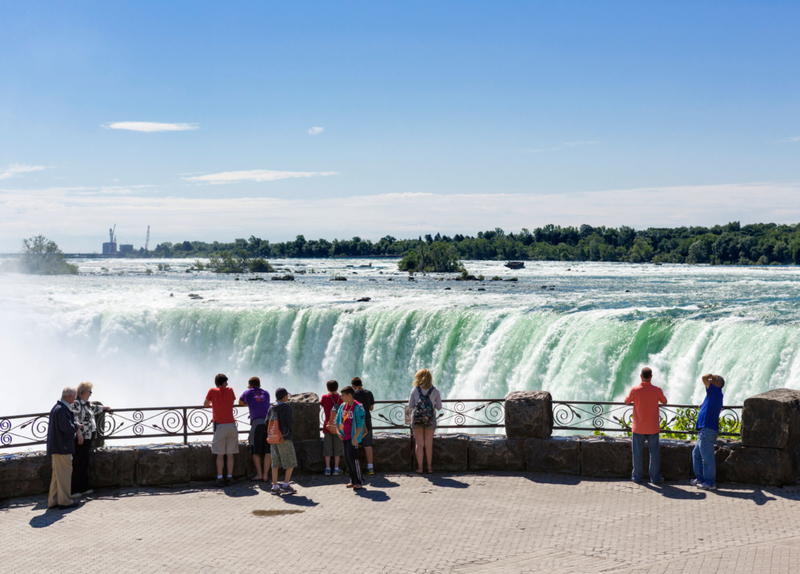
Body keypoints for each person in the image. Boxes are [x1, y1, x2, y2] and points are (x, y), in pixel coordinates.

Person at [624, 367, 668, 484]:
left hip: (638, 427)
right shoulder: (657, 390)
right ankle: (655, 478)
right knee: (654, 453)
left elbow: (626, 401)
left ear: (641, 376)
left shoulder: (635, 390)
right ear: (651, 377)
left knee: (637, 453)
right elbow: (664, 401)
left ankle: (637, 477)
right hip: (653, 427)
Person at [70, 381, 111, 497]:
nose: (91, 394)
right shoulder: (76, 404)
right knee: (78, 462)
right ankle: (74, 490)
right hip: (81, 437)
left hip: (87, 436)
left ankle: (83, 487)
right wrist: (78, 433)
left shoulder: (85, 403)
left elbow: (94, 408)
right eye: (89, 392)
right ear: (83, 392)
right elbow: (74, 419)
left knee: (84, 461)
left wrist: (105, 408)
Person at [47, 387, 82, 509]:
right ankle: (65, 502)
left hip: (57, 447)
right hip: (63, 447)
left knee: (57, 475)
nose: (75, 398)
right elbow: (67, 428)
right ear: (71, 396)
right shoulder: (62, 410)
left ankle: (53, 500)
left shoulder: (57, 408)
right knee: (64, 476)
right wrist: (76, 425)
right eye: (75, 396)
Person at [692, 373, 725, 491]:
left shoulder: (714, 391)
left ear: (717, 384)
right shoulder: (713, 394)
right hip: (704, 429)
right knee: (696, 454)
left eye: (714, 379)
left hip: (707, 429)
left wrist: (711, 375)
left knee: (707, 458)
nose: (710, 380)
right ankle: (700, 478)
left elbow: (704, 377)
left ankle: (710, 482)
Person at [204, 373, 238, 487]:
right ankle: (229, 477)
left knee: (219, 454)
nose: (227, 384)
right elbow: (232, 403)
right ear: (224, 383)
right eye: (226, 382)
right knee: (230, 454)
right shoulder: (230, 390)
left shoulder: (212, 391)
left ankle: (219, 478)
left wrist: (214, 405)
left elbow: (205, 404)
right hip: (231, 425)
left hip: (219, 426)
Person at [407, 368, 442, 474]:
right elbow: (439, 407)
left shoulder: (415, 390)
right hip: (430, 419)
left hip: (417, 419)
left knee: (419, 443)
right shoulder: (435, 391)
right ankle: (430, 468)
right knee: (428, 443)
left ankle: (420, 468)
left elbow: (410, 406)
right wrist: (433, 404)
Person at [238, 376, 271, 481]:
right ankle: (266, 475)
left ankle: (259, 474)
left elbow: (240, 402)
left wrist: (248, 403)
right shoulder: (266, 393)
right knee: (268, 451)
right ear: (260, 385)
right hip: (268, 423)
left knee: (255, 450)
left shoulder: (247, 393)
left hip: (256, 423)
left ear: (250, 386)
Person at [335, 386, 366, 490]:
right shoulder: (343, 406)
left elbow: (360, 425)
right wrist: (338, 431)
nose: (341, 397)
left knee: (354, 459)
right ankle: (352, 480)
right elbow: (338, 420)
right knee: (347, 459)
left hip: (353, 437)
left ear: (349, 395)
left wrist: (355, 438)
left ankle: (359, 481)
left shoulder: (358, 407)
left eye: (343, 395)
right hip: (345, 436)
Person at [267, 388, 297, 495]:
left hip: (273, 438)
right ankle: (285, 485)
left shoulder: (272, 407)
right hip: (284, 438)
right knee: (290, 461)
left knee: (275, 463)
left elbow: (267, 422)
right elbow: (290, 422)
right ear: (284, 396)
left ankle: (275, 486)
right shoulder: (286, 407)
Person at [352, 377, 376, 475]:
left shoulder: (352, 394)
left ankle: (354, 468)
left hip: (356, 422)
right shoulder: (369, 393)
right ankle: (370, 468)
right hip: (367, 420)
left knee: (354, 444)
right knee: (368, 444)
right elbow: (371, 408)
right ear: (361, 384)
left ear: (352, 385)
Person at [320, 380, 344, 476]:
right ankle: (336, 469)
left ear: (327, 388)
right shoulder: (341, 398)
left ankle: (327, 469)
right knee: (338, 447)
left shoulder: (325, 397)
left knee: (327, 448)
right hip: (339, 426)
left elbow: (321, 404)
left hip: (327, 426)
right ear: (337, 388)